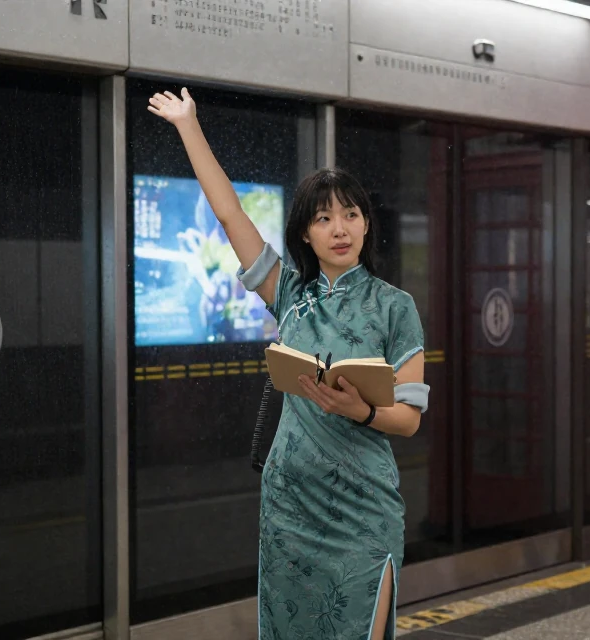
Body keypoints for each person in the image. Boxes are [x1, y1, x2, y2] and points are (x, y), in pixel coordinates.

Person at [149, 89, 429, 640]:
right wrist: (188, 127)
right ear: (305, 232)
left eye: (351, 215)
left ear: (367, 225)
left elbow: (409, 419)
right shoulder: (290, 293)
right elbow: (229, 214)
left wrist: (362, 410)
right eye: (324, 219)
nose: (340, 228)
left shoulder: (396, 307)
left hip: (364, 508)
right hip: (290, 506)